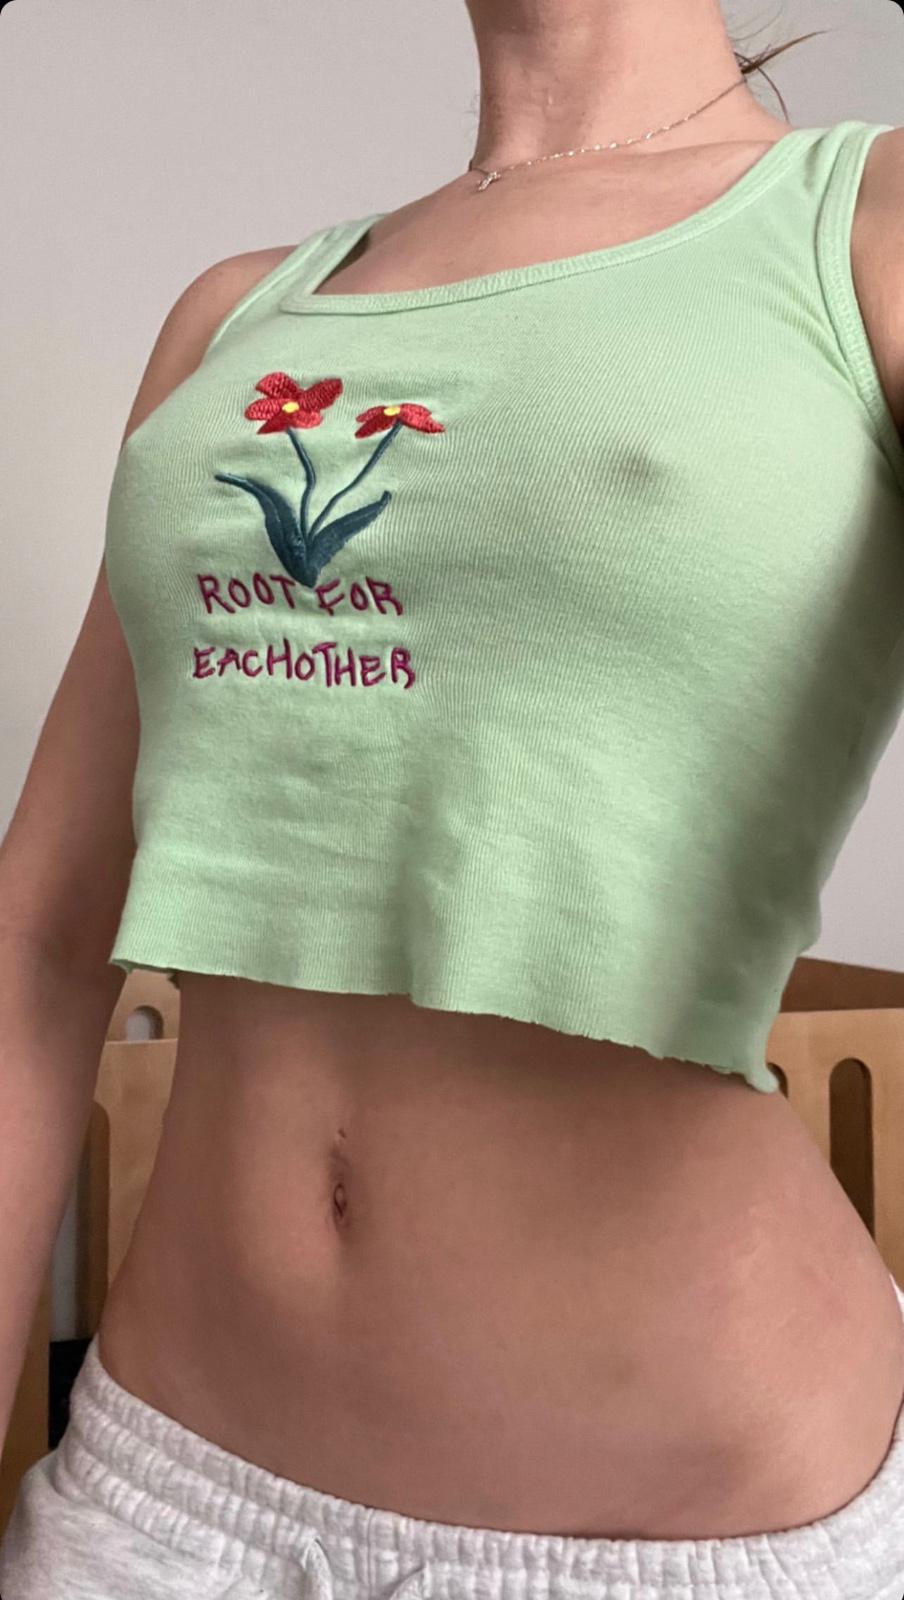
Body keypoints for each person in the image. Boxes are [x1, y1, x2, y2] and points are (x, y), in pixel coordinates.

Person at [3, 1, 904, 1596]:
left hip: (685, 1540)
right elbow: (40, 938)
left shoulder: (865, 226)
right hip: (157, 1504)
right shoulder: (234, 316)